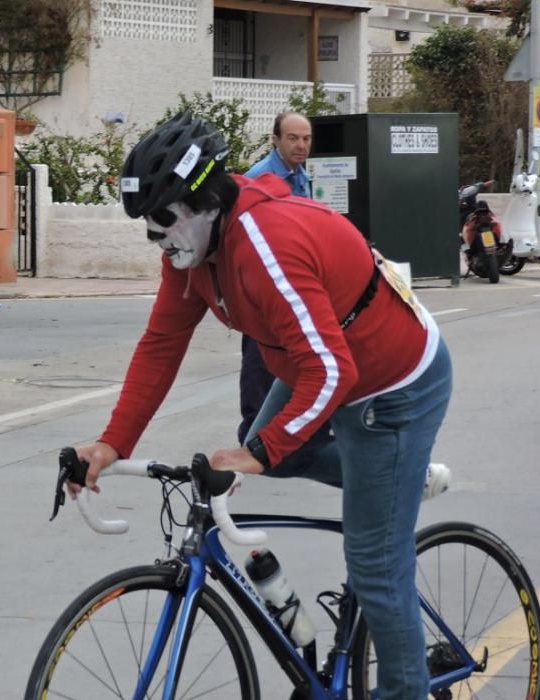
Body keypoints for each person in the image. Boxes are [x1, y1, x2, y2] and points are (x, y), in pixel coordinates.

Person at [71, 112, 453, 699]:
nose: (156, 235)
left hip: (392, 382)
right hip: (316, 366)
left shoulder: (265, 245)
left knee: (375, 567)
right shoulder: (193, 251)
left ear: (203, 204)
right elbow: (161, 345)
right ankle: (398, 482)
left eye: (162, 219)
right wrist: (111, 442)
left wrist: (258, 453)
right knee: (274, 450)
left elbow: (333, 370)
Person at [240, 112, 322, 447]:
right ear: (275, 140)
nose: (301, 145)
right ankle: (252, 434)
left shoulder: (301, 176)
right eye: (293, 138)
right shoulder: (259, 178)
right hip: (263, 287)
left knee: (297, 358)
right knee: (260, 361)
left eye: (306, 139)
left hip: (293, 287)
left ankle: (283, 432)